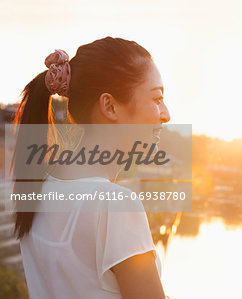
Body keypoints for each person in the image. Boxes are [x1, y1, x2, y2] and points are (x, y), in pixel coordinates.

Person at [12, 37, 169, 299]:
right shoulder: (115, 205)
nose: (166, 113)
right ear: (109, 106)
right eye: (157, 98)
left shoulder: (38, 187)